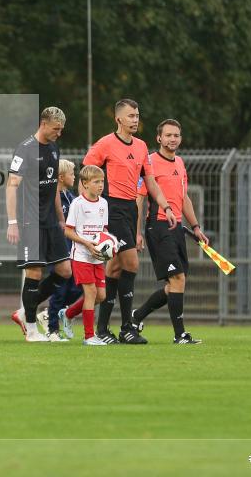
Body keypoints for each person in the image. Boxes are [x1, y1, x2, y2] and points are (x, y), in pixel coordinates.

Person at [82, 99, 176, 344]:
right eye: (131, 115)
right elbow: (86, 173)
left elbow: (151, 182)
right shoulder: (105, 144)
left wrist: (165, 206)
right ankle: (126, 327)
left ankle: (102, 329)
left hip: (129, 209)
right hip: (112, 208)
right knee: (131, 263)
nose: (135, 119)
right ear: (119, 119)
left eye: (137, 115)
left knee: (114, 268)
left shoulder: (143, 147)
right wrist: (91, 206)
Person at [131, 120, 207, 344]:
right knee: (178, 278)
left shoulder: (180, 163)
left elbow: (184, 200)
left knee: (175, 283)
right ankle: (180, 334)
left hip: (177, 228)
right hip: (158, 226)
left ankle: (137, 316)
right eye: (168, 135)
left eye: (176, 135)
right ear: (159, 138)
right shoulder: (150, 162)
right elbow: (139, 199)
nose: (173, 139)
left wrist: (196, 228)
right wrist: (137, 232)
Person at [6, 106, 73, 343]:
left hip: (50, 221)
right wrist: (12, 222)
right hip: (29, 221)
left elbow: (54, 186)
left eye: (61, 129)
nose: (59, 133)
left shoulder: (54, 148)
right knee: (34, 272)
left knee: (64, 271)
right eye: (56, 129)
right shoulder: (25, 149)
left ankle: (25, 312)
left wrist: (61, 218)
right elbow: (12, 186)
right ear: (43, 124)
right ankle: (32, 330)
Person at [62, 165, 111, 345]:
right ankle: (89, 336)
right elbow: (68, 231)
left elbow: (104, 230)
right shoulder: (78, 204)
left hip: (97, 257)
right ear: (84, 183)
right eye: (96, 182)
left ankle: (67, 314)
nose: (100, 185)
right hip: (81, 256)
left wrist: (108, 245)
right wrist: (86, 244)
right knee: (90, 292)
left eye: (102, 181)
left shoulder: (104, 203)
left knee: (101, 296)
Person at [37, 159, 83, 341]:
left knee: (77, 287)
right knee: (60, 289)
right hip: (57, 249)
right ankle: (52, 329)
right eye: (72, 174)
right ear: (61, 177)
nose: (74, 176)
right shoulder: (51, 197)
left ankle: (49, 314)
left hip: (72, 249)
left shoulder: (70, 197)